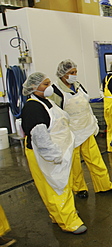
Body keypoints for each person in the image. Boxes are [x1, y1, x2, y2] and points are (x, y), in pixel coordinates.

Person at [21, 72, 87, 234]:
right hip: (46, 154)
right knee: (56, 187)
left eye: (49, 83)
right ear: (33, 87)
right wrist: (54, 156)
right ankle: (68, 221)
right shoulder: (32, 108)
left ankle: (61, 214)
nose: (49, 87)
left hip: (60, 151)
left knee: (63, 184)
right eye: (45, 84)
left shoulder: (45, 101)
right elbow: (40, 136)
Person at [49, 59, 112, 199]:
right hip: (71, 134)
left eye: (75, 72)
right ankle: (79, 188)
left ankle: (104, 185)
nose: (74, 75)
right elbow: (55, 116)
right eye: (71, 72)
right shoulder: (56, 91)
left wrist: (94, 122)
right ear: (62, 74)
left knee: (96, 160)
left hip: (86, 130)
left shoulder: (78, 86)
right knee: (74, 164)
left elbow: (86, 105)